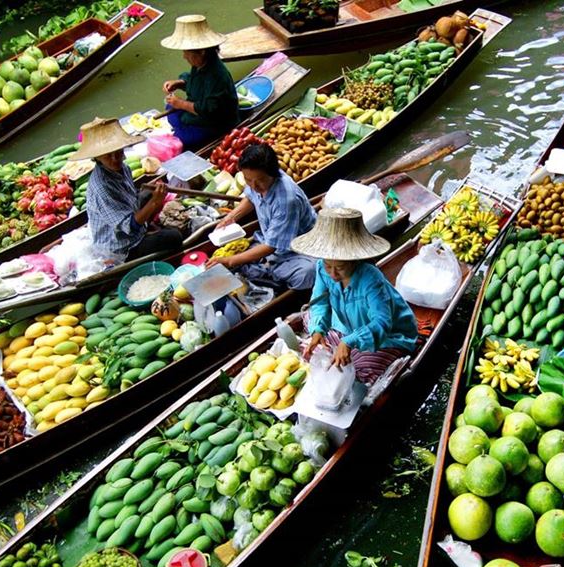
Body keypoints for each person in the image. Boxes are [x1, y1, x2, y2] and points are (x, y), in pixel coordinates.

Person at [293, 208, 418, 385]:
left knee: (361, 370)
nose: (333, 274)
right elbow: (320, 303)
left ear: (354, 259)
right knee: (310, 319)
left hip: (388, 335)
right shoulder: (322, 268)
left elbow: (382, 322)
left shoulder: (370, 278)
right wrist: (318, 331)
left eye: (341, 267)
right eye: (329, 266)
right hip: (348, 325)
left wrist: (349, 341)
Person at [71, 117, 182, 261]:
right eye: (108, 156)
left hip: (128, 220)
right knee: (174, 236)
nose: (115, 158)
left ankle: (148, 226)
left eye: (118, 152)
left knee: (149, 193)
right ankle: (146, 235)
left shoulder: (123, 168)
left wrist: (153, 200)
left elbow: (133, 197)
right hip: (120, 245)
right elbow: (129, 226)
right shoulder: (103, 188)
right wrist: (155, 203)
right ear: (98, 158)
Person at [209, 143, 317, 290]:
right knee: (243, 253)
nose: (253, 185)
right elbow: (251, 197)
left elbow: (271, 246)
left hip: (297, 249)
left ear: (272, 173)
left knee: (306, 274)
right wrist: (231, 217)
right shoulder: (257, 180)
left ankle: (270, 274)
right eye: (248, 180)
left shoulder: (286, 201)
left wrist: (230, 261)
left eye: (259, 180)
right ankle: (265, 267)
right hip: (267, 239)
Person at [161, 15, 239, 151]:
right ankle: (184, 127)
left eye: (187, 52)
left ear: (202, 52)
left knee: (180, 140)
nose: (184, 56)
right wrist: (178, 83)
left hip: (216, 122)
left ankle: (185, 132)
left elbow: (209, 110)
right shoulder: (201, 64)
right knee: (169, 109)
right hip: (199, 112)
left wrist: (181, 104)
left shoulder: (216, 75)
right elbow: (193, 80)